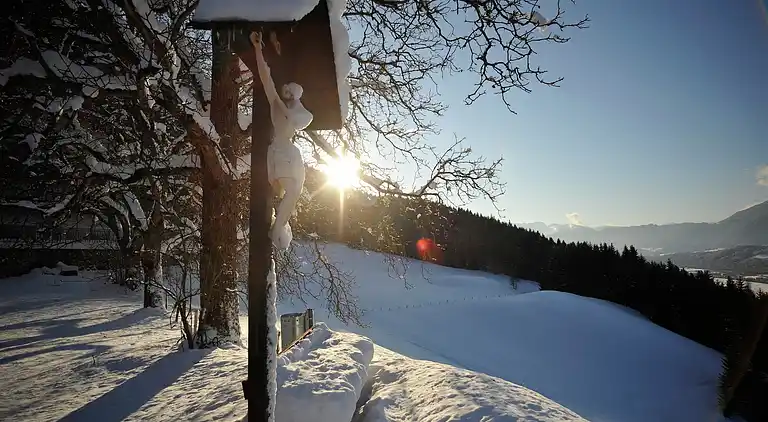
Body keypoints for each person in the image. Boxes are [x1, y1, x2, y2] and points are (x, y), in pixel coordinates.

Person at [250, 31, 313, 249]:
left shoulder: (297, 113)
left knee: (297, 189)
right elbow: (265, 78)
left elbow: (304, 117)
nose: (287, 93)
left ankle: (278, 227)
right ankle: (277, 229)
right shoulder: (277, 105)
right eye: (286, 90)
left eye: (291, 93)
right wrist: (258, 49)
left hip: (289, 153)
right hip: (280, 153)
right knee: (293, 190)